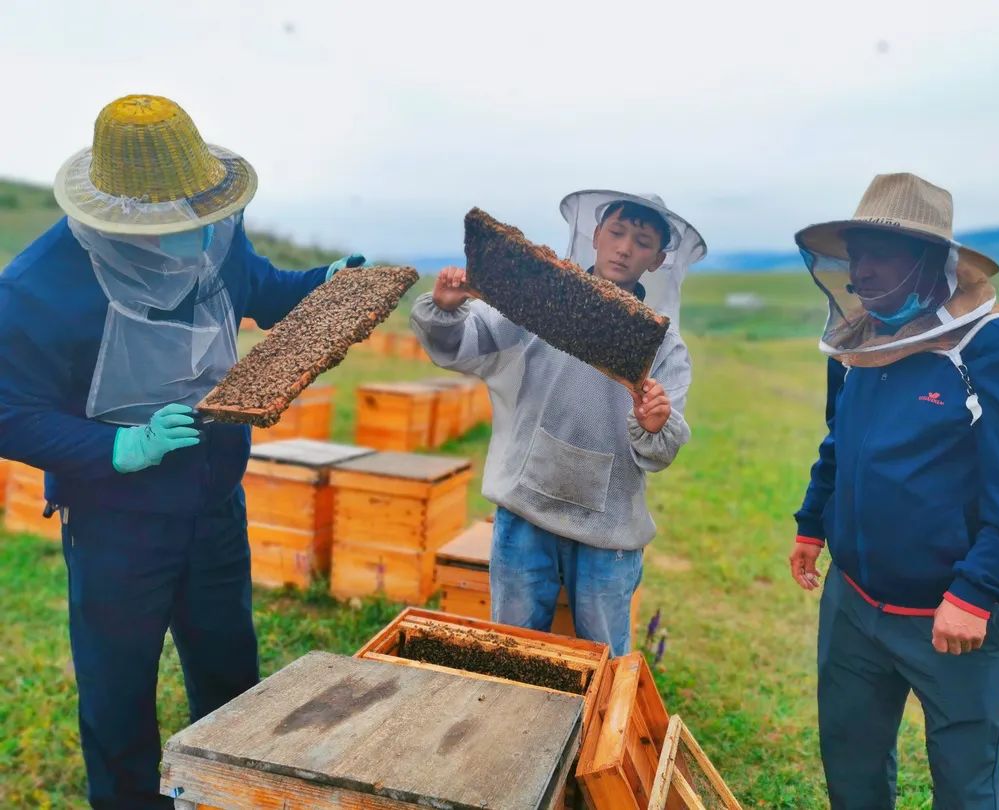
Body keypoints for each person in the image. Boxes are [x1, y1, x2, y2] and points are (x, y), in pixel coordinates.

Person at [0, 94, 363, 809]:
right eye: (178, 224)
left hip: (214, 501)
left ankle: (227, 794)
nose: (198, 237)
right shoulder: (37, 288)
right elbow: (9, 413)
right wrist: (118, 446)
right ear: (123, 217)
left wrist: (320, 288)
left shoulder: (217, 235)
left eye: (202, 218)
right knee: (118, 694)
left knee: (230, 673)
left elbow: (260, 289)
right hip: (114, 523)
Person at [788, 172, 999, 808]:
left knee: (966, 780)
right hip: (852, 605)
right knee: (851, 762)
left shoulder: (997, 348)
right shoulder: (859, 339)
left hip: (950, 617)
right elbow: (840, 441)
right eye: (857, 252)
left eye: (883, 251)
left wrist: (977, 592)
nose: (863, 270)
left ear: (931, 259)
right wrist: (813, 521)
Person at [411, 190, 706, 656]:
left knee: (602, 661)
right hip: (527, 505)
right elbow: (470, 341)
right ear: (595, 234)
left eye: (642, 241)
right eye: (616, 232)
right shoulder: (543, 301)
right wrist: (446, 309)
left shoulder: (666, 347)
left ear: (658, 259)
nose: (625, 247)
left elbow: (661, 448)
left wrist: (654, 424)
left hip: (608, 528)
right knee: (512, 651)